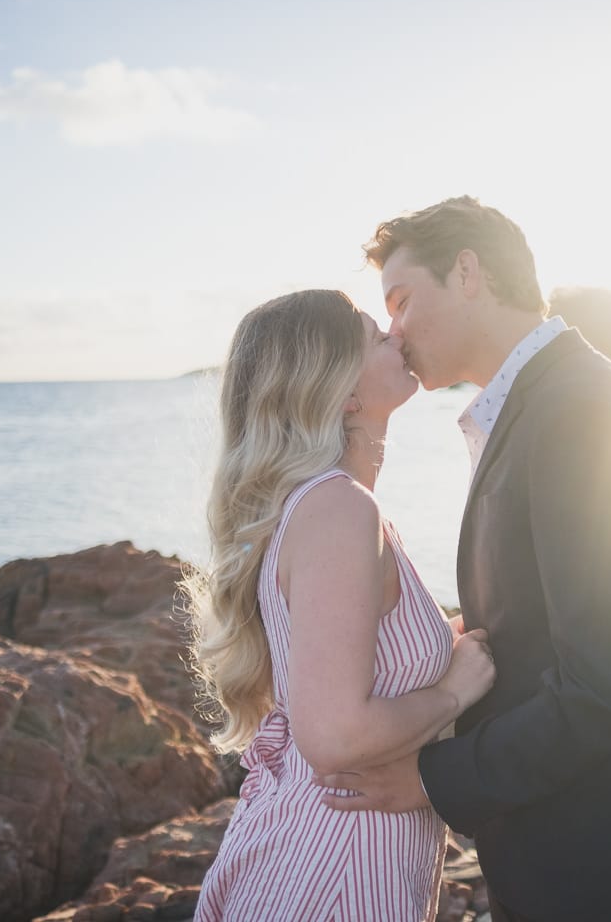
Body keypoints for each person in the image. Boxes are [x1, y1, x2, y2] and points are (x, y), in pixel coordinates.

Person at [319, 197, 611, 922]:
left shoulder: (582, 411)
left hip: (610, 860)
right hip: (565, 842)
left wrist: (432, 779)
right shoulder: (541, 403)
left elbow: (608, 681)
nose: (394, 331)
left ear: (467, 273)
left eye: (401, 302)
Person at [187, 289, 497, 921]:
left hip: (329, 851)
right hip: (335, 870)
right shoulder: (338, 508)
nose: (396, 334)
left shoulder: (323, 504)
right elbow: (335, 734)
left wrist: (443, 642)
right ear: (344, 392)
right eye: (376, 336)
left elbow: (356, 666)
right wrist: (453, 693)